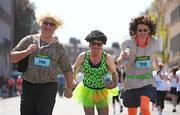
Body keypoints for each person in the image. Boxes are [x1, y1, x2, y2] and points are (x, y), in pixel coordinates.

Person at [9, 13, 73, 115]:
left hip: (48, 87)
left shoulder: (59, 47)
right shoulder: (29, 39)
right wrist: (26, 51)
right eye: (45, 23)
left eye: (52, 24)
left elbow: (67, 68)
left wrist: (69, 88)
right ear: (41, 24)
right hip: (28, 85)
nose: (48, 26)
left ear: (55, 27)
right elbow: (12, 57)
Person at [117, 15, 159, 115]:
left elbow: (154, 58)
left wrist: (159, 71)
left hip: (146, 82)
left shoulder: (154, 42)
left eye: (145, 30)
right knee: (132, 113)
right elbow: (119, 62)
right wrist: (122, 57)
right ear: (135, 30)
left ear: (149, 30)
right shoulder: (128, 43)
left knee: (144, 108)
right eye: (140, 30)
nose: (142, 33)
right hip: (131, 82)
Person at [72, 30, 118, 115]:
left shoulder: (107, 58)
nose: (96, 46)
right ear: (89, 44)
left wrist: (114, 84)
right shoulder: (83, 56)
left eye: (99, 44)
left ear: (102, 46)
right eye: (93, 43)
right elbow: (74, 68)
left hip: (102, 91)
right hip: (87, 90)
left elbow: (114, 73)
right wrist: (73, 79)